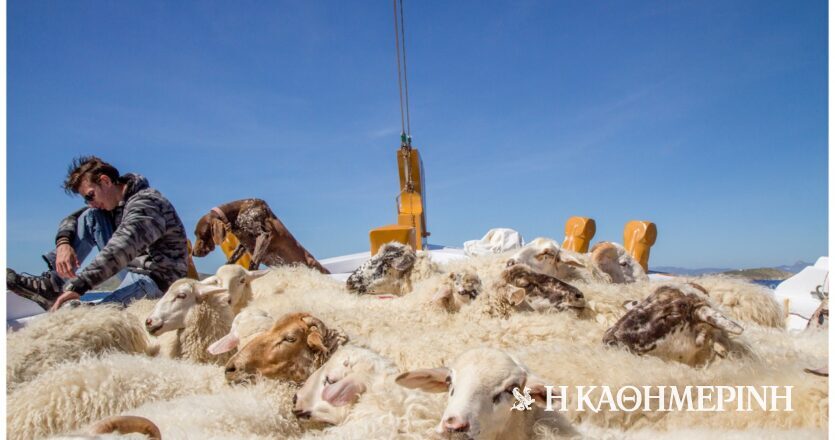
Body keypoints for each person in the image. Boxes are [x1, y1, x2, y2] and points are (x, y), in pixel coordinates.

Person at [6, 156, 189, 311]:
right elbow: (74, 219)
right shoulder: (110, 207)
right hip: (130, 269)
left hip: (158, 280)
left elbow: (121, 247)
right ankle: (52, 286)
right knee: (90, 216)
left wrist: (79, 286)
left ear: (105, 181)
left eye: (90, 196)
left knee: (94, 319)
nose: (89, 202)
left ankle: (92, 307)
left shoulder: (147, 203)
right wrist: (63, 243)